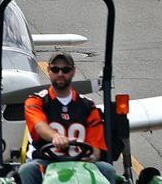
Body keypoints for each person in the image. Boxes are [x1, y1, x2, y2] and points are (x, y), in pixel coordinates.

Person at [18, 52, 118, 184]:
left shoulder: (88, 106)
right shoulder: (36, 101)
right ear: (48, 70)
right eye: (55, 69)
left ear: (73, 71)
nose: (60, 73)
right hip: (46, 161)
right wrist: (55, 137)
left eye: (65, 69)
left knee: (108, 170)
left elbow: (97, 148)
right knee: (27, 170)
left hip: (80, 162)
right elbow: (39, 125)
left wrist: (92, 155)